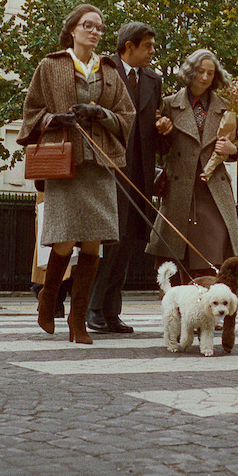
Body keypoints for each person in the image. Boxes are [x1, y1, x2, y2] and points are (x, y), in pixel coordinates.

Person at [18, 4, 134, 344]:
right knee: (65, 240)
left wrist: (100, 113)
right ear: (72, 29)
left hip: (100, 166)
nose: (95, 31)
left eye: (99, 27)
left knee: (93, 243)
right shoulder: (50, 66)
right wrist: (53, 120)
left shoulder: (110, 70)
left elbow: (126, 115)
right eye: (88, 25)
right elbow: (31, 112)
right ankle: (47, 301)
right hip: (66, 165)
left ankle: (77, 320)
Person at [87, 22, 162, 335]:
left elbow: (152, 125)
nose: (152, 52)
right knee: (108, 242)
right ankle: (92, 309)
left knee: (129, 243)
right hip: (108, 171)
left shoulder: (153, 80)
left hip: (140, 174)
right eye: (147, 46)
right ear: (129, 46)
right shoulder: (102, 70)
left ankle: (111, 312)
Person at [146, 48, 238, 283]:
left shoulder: (226, 107)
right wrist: (162, 130)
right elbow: (159, 149)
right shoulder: (169, 104)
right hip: (180, 191)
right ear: (190, 72)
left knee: (215, 248)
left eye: (210, 73)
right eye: (200, 71)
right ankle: (182, 310)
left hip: (213, 191)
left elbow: (233, 143)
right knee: (177, 252)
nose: (205, 77)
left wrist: (233, 151)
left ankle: (214, 306)